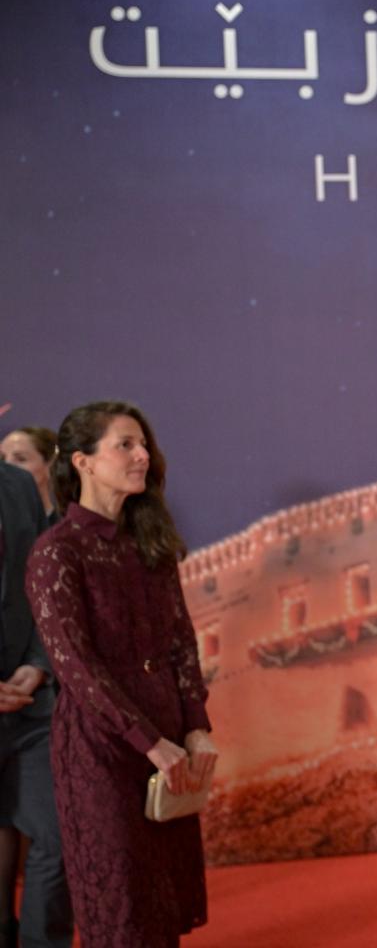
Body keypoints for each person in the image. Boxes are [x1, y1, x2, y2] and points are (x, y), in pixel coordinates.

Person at [24, 402, 216, 947]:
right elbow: (76, 667)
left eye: (143, 444)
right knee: (122, 911)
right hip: (101, 750)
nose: (142, 456)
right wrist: (149, 741)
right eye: (125, 445)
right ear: (82, 461)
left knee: (163, 903)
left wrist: (195, 726)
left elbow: (180, 641)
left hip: (169, 737)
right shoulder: (55, 553)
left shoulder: (150, 542)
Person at [0, 463, 70, 948]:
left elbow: (39, 587)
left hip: (30, 707)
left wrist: (40, 663)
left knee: (60, 835)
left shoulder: (19, 484)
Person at [1, 429, 59, 524]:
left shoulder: (69, 529)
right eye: (2, 459)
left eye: (21, 459)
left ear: (51, 465)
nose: (6, 467)